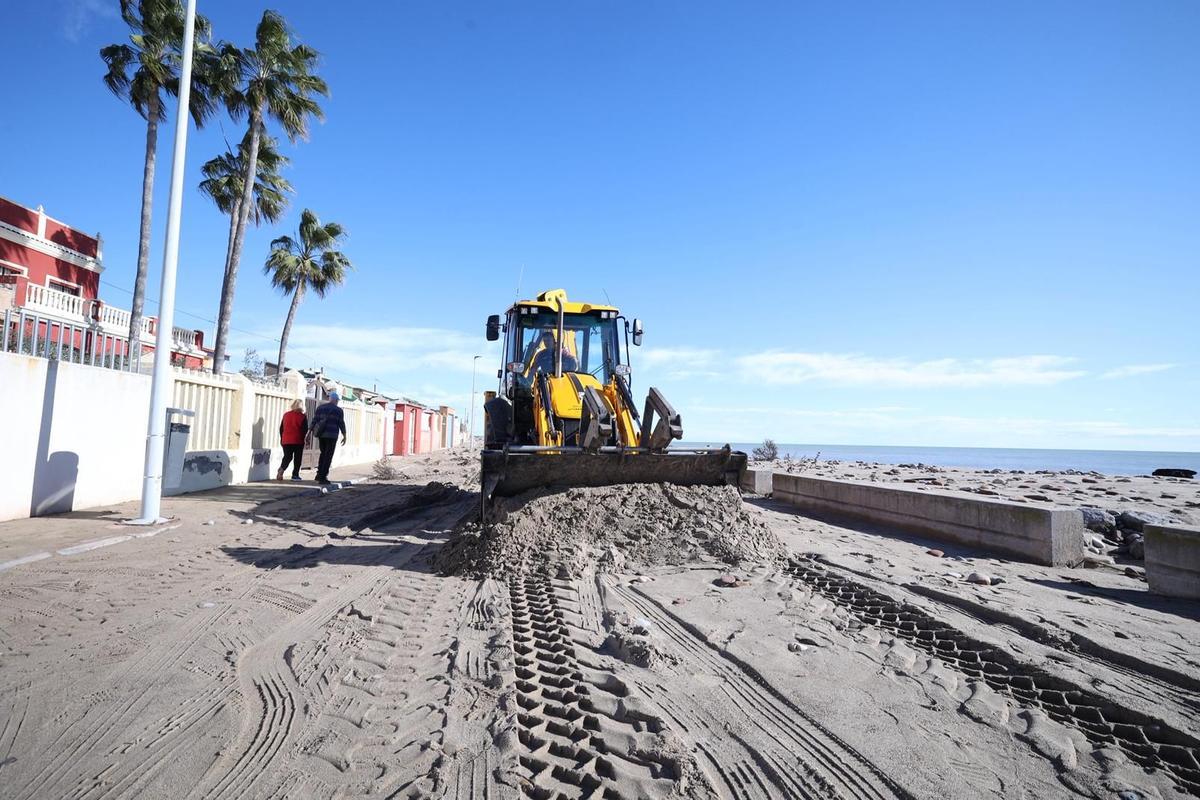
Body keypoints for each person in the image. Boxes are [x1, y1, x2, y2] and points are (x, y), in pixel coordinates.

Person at [312, 391, 347, 484]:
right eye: (337, 401)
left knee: (323, 454)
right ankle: (323, 477)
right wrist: (344, 434)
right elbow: (341, 423)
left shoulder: (320, 408)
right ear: (336, 400)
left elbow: (314, 420)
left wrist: (309, 432)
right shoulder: (339, 410)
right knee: (328, 456)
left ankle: (319, 474)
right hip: (332, 435)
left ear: (329, 399)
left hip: (322, 435)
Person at [276, 399, 308, 481]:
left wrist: (282, 437)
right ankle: (295, 475)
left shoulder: (286, 415)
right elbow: (304, 430)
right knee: (297, 458)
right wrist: (305, 439)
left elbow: (281, 428)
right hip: (298, 440)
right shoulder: (302, 416)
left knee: (287, 456)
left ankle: (281, 469)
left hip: (286, 440)